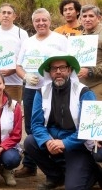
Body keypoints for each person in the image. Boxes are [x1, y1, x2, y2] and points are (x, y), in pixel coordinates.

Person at [24, 53, 102, 189]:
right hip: (53, 140)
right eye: (54, 69)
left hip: (78, 145)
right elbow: (36, 124)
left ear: (70, 70)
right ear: (49, 72)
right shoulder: (41, 92)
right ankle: (56, 176)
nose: (58, 72)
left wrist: (64, 143)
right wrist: (47, 141)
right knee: (30, 142)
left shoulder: (84, 92)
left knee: (73, 187)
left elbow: (87, 130)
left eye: (62, 68)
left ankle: (92, 170)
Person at [15, 8, 68, 178]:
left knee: (54, 125)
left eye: (44, 20)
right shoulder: (28, 42)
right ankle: (29, 165)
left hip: (55, 90)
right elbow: (18, 66)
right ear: (33, 23)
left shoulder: (60, 40)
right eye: (37, 20)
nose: (41, 23)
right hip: (32, 90)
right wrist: (25, 77)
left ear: (50, 21)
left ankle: (58, 164)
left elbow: (69, 63)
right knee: (31, 126)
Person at [0, 3, 29, 103]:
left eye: (9, 13)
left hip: (14, 82)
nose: (6, 15)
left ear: (14, 16)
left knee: (13, 112)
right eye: (3, 12)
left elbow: (26, 57)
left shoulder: (21, 33)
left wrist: (14, 70)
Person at [78, 4, 102, 100]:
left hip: (98, 86)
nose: (87, 19)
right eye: (84, 16)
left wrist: (90, 71)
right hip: (81, 87)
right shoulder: (80, 36)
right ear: (80, 19)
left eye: (91, 16)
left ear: (99, 18)